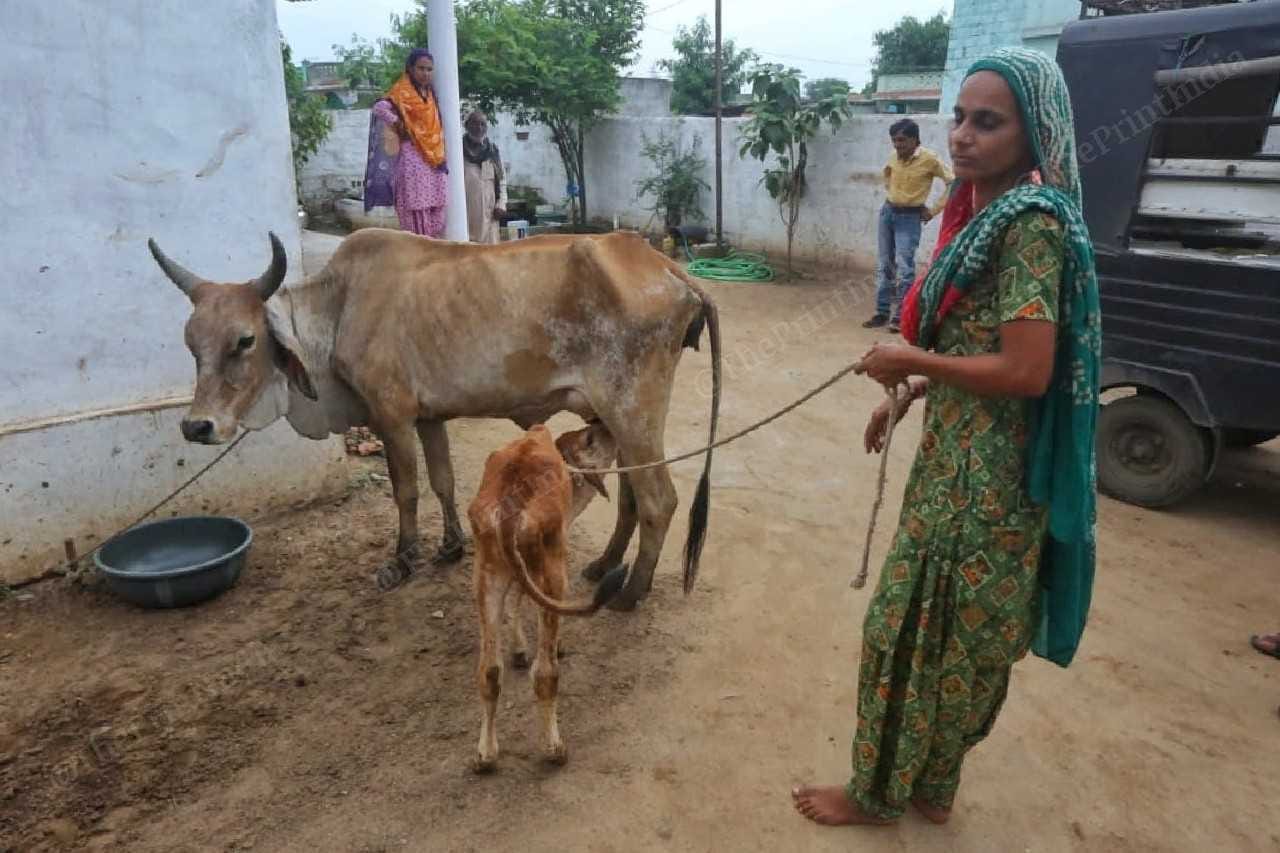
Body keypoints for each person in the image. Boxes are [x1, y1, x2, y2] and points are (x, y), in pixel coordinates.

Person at [793, 47, 1101, 827]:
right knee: (960, 640)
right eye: (959, 117)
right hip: (965, 466)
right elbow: (986, 346)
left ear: (1034, 136)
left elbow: (1027, 369)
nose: (962, 135)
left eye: (987, 122)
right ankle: (932, 786)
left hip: (980, 486)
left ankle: (875, 794)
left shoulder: (1029, 227)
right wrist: (914, 392)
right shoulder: (985, 217)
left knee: (904, 632)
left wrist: (909, 359)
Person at [864, 119, 954, 334]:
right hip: (888, 213)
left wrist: (933, 210)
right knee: (884, 265)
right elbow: (888, 173)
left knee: (905, 268)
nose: (897, 145)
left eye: (902, 140)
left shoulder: (930, 159)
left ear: (915, 140)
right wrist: (894, 194)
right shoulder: (893, 157)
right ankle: (882, 312)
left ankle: (900, 316)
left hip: (909, 218)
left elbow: (953, 182)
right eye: (894, 140)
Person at [364, 49, 448, 238]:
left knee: (437, 213)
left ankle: (430, 250)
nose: (426, 73)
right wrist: (398, 124)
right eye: (421, 68)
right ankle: (418, 252)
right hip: (413, 158)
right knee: (416, 213)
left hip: (434, 158)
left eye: (429, 69)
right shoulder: (402, 92)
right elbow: (379, 108)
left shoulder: (430, 93)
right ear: (410, 68)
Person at [462, 110, 508, 244]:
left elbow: (502, 180)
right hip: (467, 215)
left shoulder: (493, 151)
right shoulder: (458, 151)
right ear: (466, 126)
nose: (479, 128)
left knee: (490, 252)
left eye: (483, 124)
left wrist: (501, 204)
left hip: (490, 215)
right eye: (475, 123)